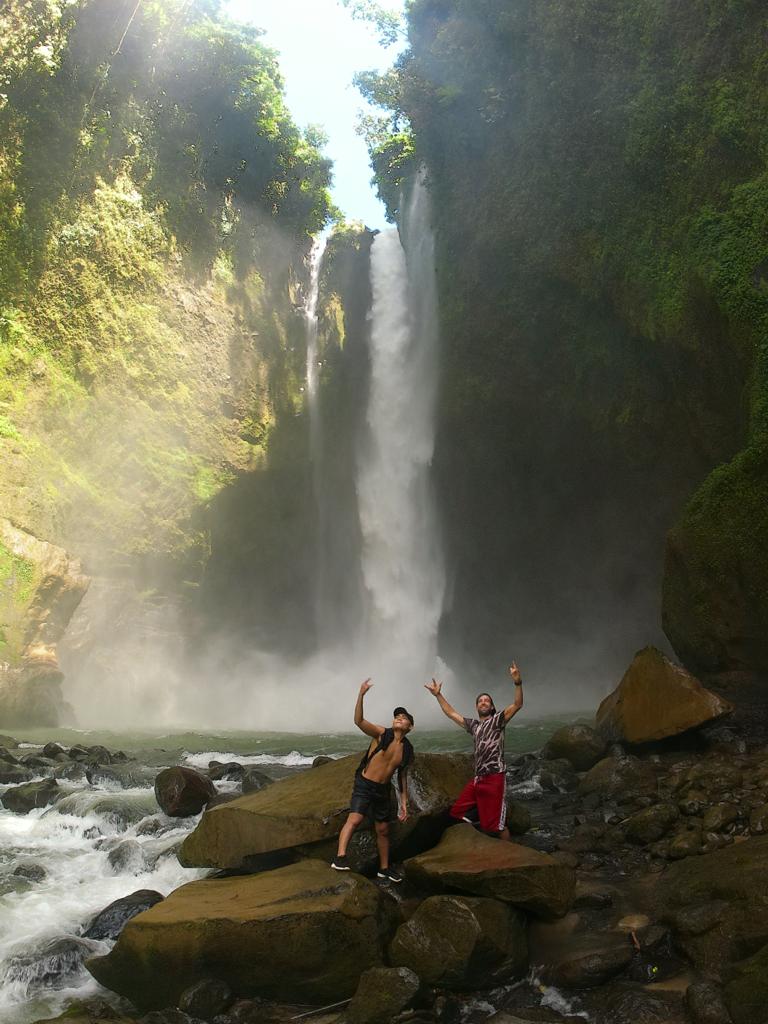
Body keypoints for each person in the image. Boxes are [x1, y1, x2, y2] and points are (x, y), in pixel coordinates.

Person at [425, 662, 524, 840]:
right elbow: (451, 713)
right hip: (478, 778)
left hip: (495, 777)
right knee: (456, 812)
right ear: (477, 707)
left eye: (487, 700)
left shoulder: (498, 720)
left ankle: (509, 855)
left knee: (497, 827)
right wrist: (438, 695)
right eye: (480, 701)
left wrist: (517, 682)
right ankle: (481, 818)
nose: (483, 702)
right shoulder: (474, 726)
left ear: (492, 707)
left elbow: (517, 704)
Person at [331, 679, 414, 883]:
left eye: (403, 718)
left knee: (383, 830)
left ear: (410, 727)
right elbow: (359, 721)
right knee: (356, 819)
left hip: (382, 791)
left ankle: (384, 869)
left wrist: (404, 805)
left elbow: (402, 776)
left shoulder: (408, 750)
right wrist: (361, 694)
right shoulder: (381, 734)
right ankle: (340, 857)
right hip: (365, 784)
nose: (398, 719)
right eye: (397, 716)